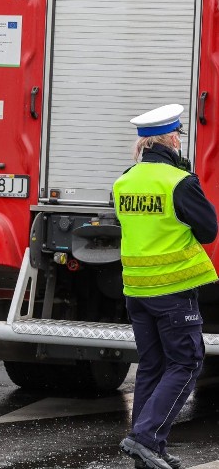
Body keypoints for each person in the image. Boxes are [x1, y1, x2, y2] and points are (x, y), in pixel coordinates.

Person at [115, 104, 217, 469]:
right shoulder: (179, 182)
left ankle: (149, 452)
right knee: (187, 363)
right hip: (173, 292)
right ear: (172, 139)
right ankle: (144, 437)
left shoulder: (124, 180)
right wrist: (191, 186)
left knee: (152, 367)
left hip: (136, 292)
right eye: (179, 136)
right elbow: (208, 230)